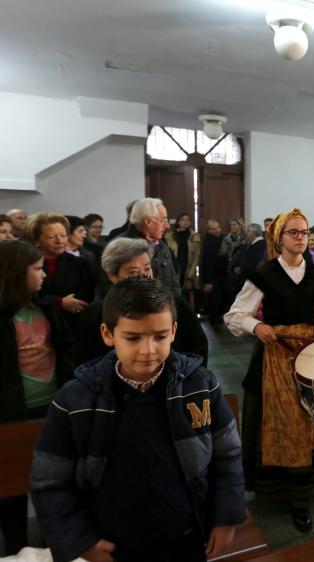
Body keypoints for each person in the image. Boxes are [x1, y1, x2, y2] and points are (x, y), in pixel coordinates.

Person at [31, 277, 245, 562]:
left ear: (174, 332)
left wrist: (225, 515)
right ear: (108, 334)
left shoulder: (200, 385)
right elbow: (50, 479)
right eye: (133, 337)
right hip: (113, 542)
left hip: (187, 534)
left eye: (160, 336)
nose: (149, 350)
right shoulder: (75, 399)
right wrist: (79, 540)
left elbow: (227, 453)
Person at [224, 209, 314, 533]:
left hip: (311, 353)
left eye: (304, 232)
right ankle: (288, 495)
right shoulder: (264, 274)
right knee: (285, 422)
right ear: (278, 238)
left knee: (311, 419)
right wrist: (257, 327)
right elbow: (234, 315)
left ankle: (303, 492)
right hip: (275, 356)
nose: (300, 237)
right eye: (293, 232)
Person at [0, 240, 73, 555]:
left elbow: (65, 349)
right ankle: (17, 547)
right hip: (12, 410)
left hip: (52, 403)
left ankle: (52, 544)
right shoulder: (4, 316)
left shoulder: (42, 307)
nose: (43, 275)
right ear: (16, 273)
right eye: (37, 269)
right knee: (11, 486)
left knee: (53, 480)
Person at [76, 238, 208, 366]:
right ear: (112, 276)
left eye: (147, 268)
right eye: (133, 272)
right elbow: (87, 362)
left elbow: (198, 348)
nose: (144, 276)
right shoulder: (94, 315)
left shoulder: (175, 304)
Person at [27, 213, 94, 349]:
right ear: (37, 240)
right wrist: (58, 302)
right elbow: (27, 297)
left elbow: (85, 297)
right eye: (51, 237)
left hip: (69, 328)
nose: (60, 241)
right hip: (33, 327)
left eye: (63, 236)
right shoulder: (26, 263)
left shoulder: (80, 263)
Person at [119, 198, 181, 295]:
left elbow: (174, 285)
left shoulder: (162, 246)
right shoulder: (120, 248)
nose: (167, 226)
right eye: (163, 221)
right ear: (148, 222)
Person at [200, 219, 231, 325]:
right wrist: (209, 281)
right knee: (215, 300)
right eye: (214, 228)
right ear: (209, 231)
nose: (217, 230)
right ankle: (215, 322)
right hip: (214, 277)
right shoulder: (210, 242)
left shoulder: (220, 239)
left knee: (220, 298)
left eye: (218, 227)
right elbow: (208, 263)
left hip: (221, 275)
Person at [165, 212, 202, 295]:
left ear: (190, 222)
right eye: (182, 219)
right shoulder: (169, 236)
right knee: (174, 292)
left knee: (186, 293)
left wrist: (192, 272)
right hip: (175, 267)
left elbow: (197, 255)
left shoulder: (195, 236)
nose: (185, 221)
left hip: (188, 267)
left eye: (187, 220)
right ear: (178, 222)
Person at [231, 223, 266, 292]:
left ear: (254, 233)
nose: (246, 233)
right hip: (244, 278)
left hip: (252, 280)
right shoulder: (250, 243)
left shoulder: (261, 244)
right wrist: (236, 267)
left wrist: (241, 269)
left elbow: (256, 261)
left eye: (248, 231)